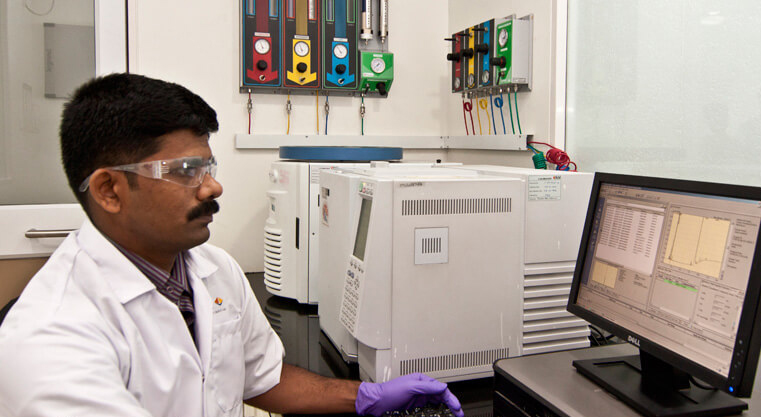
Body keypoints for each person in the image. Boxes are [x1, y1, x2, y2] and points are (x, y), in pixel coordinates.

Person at [0, 73, 464, 417]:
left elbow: (264, 377)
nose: (213, 187)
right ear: (108, 190)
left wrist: (363, 397)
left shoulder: (212, 268)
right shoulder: (50, 340)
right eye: (185, 171)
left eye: (209, 166)